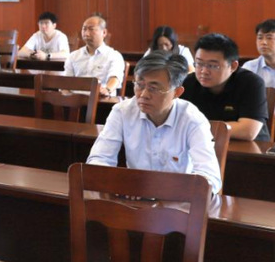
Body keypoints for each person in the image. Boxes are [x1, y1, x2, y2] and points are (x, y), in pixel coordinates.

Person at [86, 51, 222, 195]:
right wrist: (120, 185)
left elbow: (210, 177)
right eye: (140, 85)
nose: (143, 94)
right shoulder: (122, 112)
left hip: (177, 200)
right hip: (133, 196)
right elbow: (99, 160)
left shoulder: (192, 120)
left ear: (177, 92)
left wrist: (170, 192)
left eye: (154, 88)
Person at [180, 33, 268, 142]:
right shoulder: (187, 83)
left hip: (247, 148)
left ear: (233, 66)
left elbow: (248, 131)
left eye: (213, 66)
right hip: (203, 145)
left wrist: (195, 128)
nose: (204, 71)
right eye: (199, 63)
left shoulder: (251, 83)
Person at [64, 15, 125, 97]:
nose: (86, 33)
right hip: (75, 99)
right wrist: (65, 94)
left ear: (104, 32)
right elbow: (66, 81)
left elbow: (115, 78)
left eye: (91, 29)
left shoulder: (114, 56)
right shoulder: (73, 56)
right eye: (84, 29)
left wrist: (107, 90)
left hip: (101, 99)